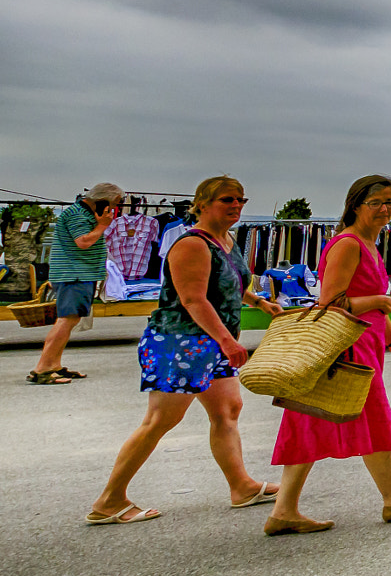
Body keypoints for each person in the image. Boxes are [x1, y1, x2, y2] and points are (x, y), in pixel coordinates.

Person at [86, 176, 284, 524]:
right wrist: (227, 340)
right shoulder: (192, 243)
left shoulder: (226, 240)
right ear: (203, 203)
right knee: (161, 420)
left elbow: (228, 282)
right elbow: (193, 298)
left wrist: (258, 301)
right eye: (227, 199)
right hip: (181, 342)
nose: (236, 205)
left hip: (210, 342)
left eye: (241, 199)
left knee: (227, 410)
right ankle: (109, 501)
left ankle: (242, 487)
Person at [265, 175, 391, 536]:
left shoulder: (369, 243)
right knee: (370, 417)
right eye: (376, 202)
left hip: (366, 342)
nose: (385, 209)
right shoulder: (348, 244)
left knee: (308, 420)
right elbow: (330, 302)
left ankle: (284, 510)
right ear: (356, 204)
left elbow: (374, 305)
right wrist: (377, 302)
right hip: (348, 345)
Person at [32, 182, 122, 384]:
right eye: (114, 203)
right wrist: (102, 226)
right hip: (74, 274)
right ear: (102, 201)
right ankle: (43, 369)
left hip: (78, 274)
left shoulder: (81, 213)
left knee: (69, 320)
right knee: (66, 320)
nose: (115, 208)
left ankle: (54, 365)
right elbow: (83, 242)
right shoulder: (78, 215)